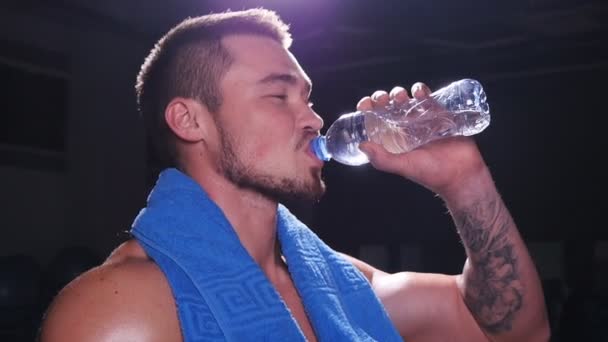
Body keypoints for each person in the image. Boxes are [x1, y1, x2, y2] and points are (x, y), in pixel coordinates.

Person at [39, 8, 550, 342]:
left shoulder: (341, 286)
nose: (312, 118)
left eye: (306, 97)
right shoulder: (115, 313)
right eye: (277, 95)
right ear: (190, 120)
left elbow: (514, 330)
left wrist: (465, 181)